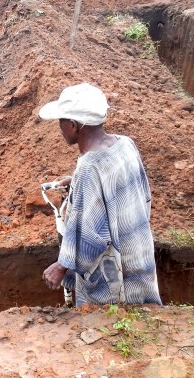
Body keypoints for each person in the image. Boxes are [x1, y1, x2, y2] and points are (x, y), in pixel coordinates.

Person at [39, 83, 161, 306]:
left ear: (74, 125)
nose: (59, 127)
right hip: (139, 251)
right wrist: (76, 182)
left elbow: (89, 234)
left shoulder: (89, 168)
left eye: (61, 121)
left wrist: (62, 266)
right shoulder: (125, 144)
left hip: (116, 273)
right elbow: (127, 188)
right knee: (143, 318)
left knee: (110, 326)